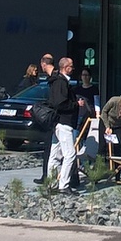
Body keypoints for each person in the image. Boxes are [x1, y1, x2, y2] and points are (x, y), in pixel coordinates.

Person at [47, 56, 80, 192]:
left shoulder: (56, 81)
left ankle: (51, 184)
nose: (73, 68)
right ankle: (64, 185)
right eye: (71, 66)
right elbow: (60, 104)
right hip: (64, 122)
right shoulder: (61, 82)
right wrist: (76, 104)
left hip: (57, 122)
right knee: (70, 154)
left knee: (55, 154)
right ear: (66, 68)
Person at [33, 53, 57, 185]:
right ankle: (46, 175)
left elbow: (55, 100)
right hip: (54, 118)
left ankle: (47, 176)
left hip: (54, 119)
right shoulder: (53, 78)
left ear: (43, 64)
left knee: (52, 149)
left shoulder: (55, 79)